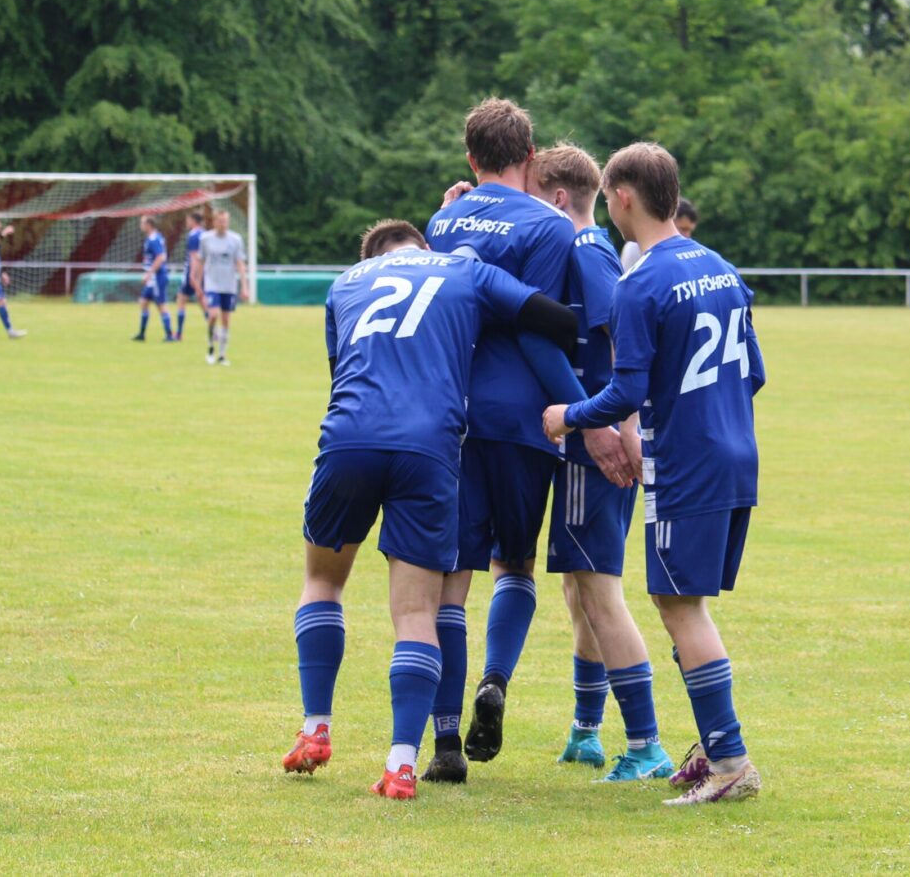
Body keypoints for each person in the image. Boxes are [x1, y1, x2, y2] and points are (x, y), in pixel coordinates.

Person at [283, 219, 578, 800]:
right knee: (417, 612)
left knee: (322, 581)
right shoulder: (462, 268)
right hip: (429, 446)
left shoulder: (346, 282)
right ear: (425, 245)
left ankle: (315, 727)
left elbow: (342, 371)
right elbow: (556, 321)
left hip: (351, 436)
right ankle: (400, 764)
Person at [544, 143, 766, 805]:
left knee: (679, 607)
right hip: (737, 454)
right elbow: (753, 373)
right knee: (683, 603)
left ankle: (731, 764)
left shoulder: (640, 283)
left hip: (686, 463)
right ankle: (715, 751)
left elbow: (623, 393)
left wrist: (565, 415)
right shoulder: (722, 268)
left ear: (623, 198)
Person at [420, 98, 633, 783]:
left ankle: (445, 744)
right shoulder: (548, 225)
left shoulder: (444, 219)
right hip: (524, 418)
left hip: (453, 412)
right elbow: (540, 335)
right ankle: (496, 679)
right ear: (531, 157)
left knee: (450, 583)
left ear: (470, 158)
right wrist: (587, 418)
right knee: (513, 565)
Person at [523, 143, 673, 782]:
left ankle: (645, 744)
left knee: (598, 589)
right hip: (588, 437)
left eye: (532, 198)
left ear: (558, 198)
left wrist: (619, 427)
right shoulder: (582, 250)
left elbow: (622, 342)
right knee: (578, 587)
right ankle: (586, 730)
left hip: (597, 442)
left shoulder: (587, 250)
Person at [202, 209, 248, 364]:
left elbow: (240, 263)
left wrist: (244, 286)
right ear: (214, 222)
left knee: (226, 320)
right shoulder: (206, 239)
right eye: (220, 221)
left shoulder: (235, 240)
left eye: (226, 221)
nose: (223, 224)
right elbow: (201, 260)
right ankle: (210, 347)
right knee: (213, 315)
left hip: (229, 285)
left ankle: (222, 355)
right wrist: (197, 280)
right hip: (212, 283)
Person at [622, 196, 698, 270]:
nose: (687, 236)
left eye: (690, 231)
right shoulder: (635, 247)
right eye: (683, 229)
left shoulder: (689, 250)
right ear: (669, 221)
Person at [133, 215, 174, 341]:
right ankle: (141, 334)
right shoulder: (153, 237)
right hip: (153, 279)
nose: (141, 226)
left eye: (142, 223)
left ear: (149, 225)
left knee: (161, 305)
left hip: (157, 277)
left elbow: (160, 257)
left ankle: (169, 335)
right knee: (143, 302)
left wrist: (149, 273)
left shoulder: (154, 239)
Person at [173, 212, 206, 340]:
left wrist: (192, 275)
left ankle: (179, 333)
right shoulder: (204, 234)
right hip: (204, 271)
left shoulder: (193, 235)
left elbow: (194, 256)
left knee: (181, 299)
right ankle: (214, 331)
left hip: (193, 271)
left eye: (188, 220)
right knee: (202, 300)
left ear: (193, 220)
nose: (187, 222)